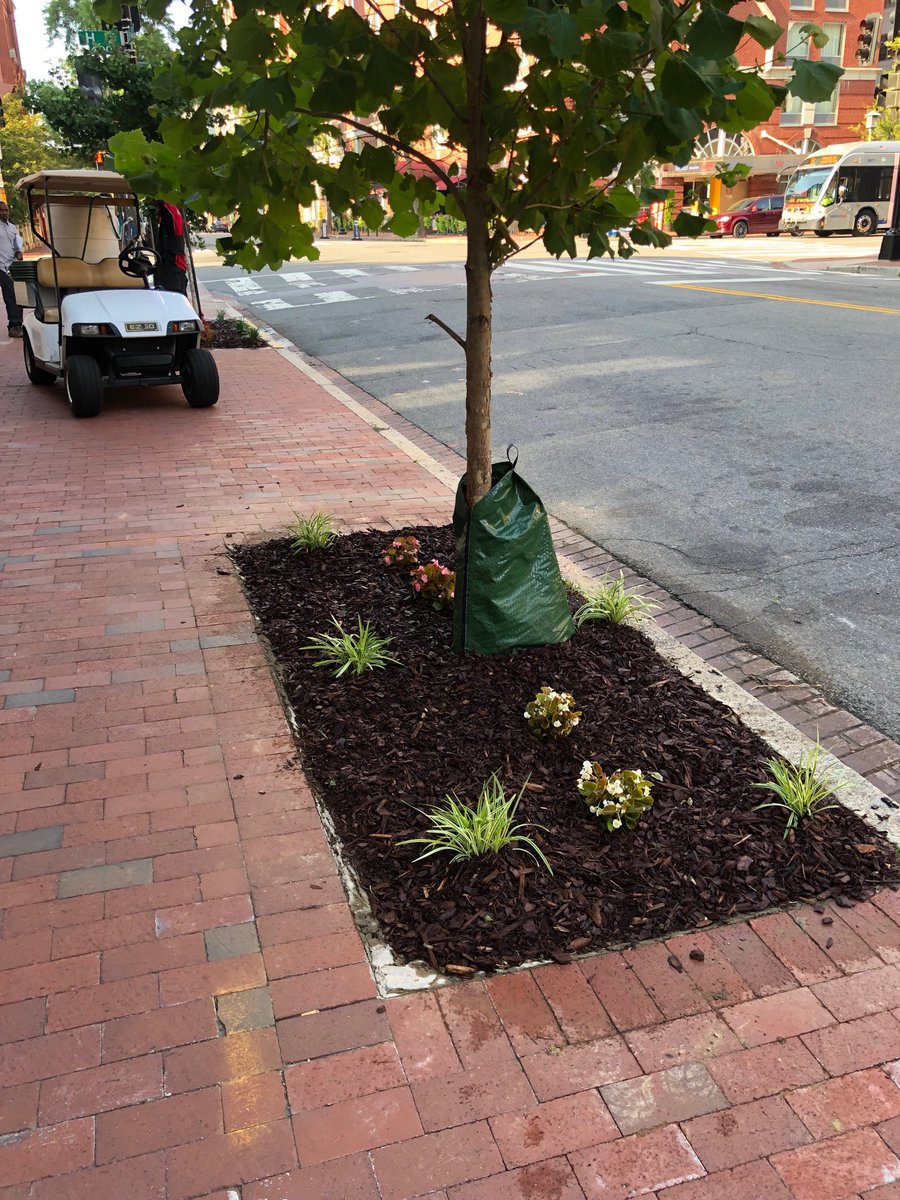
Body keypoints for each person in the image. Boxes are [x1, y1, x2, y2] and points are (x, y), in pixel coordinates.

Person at [0, 199, 24, 339]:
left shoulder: (12, 227)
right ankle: (13, 326)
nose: (4, 212)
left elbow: (17, 244)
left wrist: (19, 251)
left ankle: (18, 324)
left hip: (13, 265)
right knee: (10, 296)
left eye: (6, 210)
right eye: (1, 210)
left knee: (19, 295)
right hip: (1, 266)